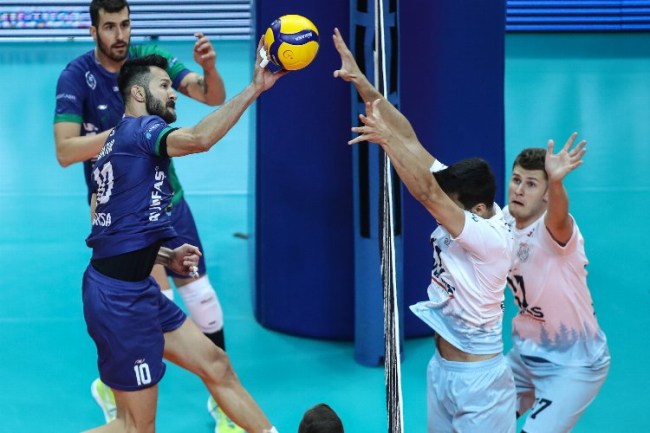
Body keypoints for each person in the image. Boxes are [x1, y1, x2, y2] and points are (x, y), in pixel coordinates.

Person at [81, 46, 285, 433]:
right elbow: (199, 138)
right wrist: (255, 88)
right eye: (164, 85)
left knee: (216, 365)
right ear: (138, 93)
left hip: (133, 288)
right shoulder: (141, 130)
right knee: (134, 428)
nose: (173, 92)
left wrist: (163, 257)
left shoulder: (113, 144)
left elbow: (108, 229)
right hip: (120, 303)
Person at [53, 1, 236, 430]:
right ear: (93, 30)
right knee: (156, 305)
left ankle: (223, 409)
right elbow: (65, 150)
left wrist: (209, 69)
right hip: (120, 215)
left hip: (169, 201)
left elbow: (212, 96)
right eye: (110, 27)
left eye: (125, 24)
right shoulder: (76, 76)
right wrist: (128, 135)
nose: (120, 35)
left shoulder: (149, 62)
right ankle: (121, 392)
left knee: (204, 302)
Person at [332, 28, 516, 433]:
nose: (443, 210)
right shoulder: (466, 197)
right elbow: (410, 140)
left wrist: (386, 144)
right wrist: (363, 83)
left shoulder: (490, 238)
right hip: (442, 371)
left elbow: (428, 193)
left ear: (478, 209)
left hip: (481, 385)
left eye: (452, 206)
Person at [504, 133, 610, 433]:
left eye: (531, 184)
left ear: (547, 195)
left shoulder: (554, 232)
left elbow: (559, 218)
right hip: (525, 354)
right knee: (475, 422)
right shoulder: (505, 221)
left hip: (574, 365)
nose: (519, 190)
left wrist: (557, 183)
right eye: (516, 180)